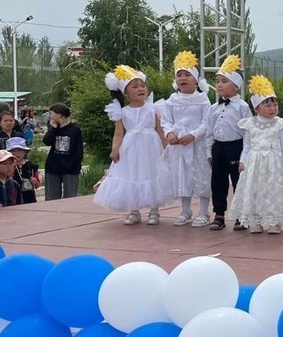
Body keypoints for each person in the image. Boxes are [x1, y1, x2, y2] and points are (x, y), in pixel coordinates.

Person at [93, 65, 168, 224]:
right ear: (125, 94)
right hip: (130, 148)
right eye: (135, 87)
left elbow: (160, 130)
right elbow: (119, 133)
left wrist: (166, 148)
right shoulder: (122, 112)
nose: (140, 89)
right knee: (132, 175)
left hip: (151, 147)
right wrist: (115, 149)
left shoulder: (154, 109)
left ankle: (154, 211)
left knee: (152, 174)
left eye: (142, 85)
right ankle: (134, 210)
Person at [228, 75, 283, 234]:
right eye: (267, 105)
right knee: (256, 190)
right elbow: (247, 145)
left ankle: (274, 221)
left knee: (274, 190)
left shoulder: (280, 124)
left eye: (275, 104)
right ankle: (256, 221)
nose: (272, 108)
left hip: (275, 163)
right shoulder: (250, 124)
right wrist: (242, 161)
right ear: (256, 108)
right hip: (255, 163)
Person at [157, 51, 213, 227]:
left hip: (198, 145)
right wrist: (169, 133)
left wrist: (194, 135)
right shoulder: (172, 100)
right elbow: (166, 120)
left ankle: (204, 212)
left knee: (202, 176)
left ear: (196, 79)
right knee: (183, 177)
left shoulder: (203, 100)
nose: (183, 78)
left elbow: (207, 122)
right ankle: (186, 210)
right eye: (179, 74)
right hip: (180, 146)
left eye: (187, 74)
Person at [203, 54, 252, 231]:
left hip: (236, 147)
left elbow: (248, 133)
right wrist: (209, 152)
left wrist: (244, 156)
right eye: (217, 81)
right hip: (219, 148)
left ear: (236, 85)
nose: (219, 85)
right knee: (218, 182)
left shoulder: (242, 107)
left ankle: (241, 215)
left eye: (224, 81)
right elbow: (209, 131)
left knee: (239, 182)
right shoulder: (213, 108)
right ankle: (219, 215)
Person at [42, 103, 84, 200]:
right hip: (53, 167)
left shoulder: (75, 130)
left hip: (70, 168)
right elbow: (46, 141)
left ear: (60, 114)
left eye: (52, 113)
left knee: (70, 198)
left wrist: (75, 165)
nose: (50, 116)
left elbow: (79, 150)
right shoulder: (54, 128)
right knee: (51, 199)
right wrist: (52, 129)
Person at [7, 137, 39, 204]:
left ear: (25, 151)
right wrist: (13, 165)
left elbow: (37, 184)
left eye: (19, 150)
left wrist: (35, 182)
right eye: (13, 151)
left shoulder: (31, 166)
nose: (16, 153)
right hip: (13, 197)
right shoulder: (7, 166)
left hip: (29, 197)